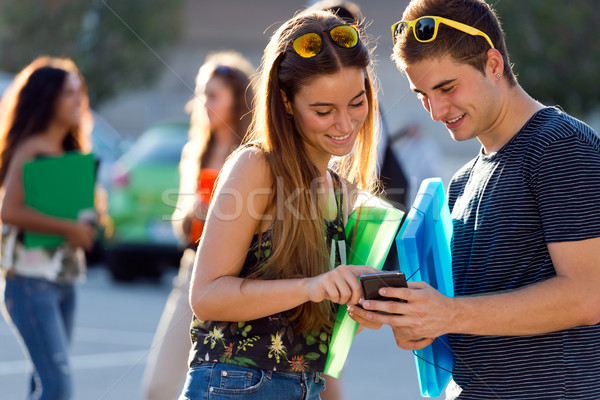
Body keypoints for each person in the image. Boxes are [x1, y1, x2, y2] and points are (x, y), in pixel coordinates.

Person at [348, 0, 600, 399]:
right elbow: (467, 316)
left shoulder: (560, 146)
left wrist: (448, 313)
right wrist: (413, 318)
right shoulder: (462, 182)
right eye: (422, 95)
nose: (436, 110)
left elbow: (589, 295)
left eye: (447, 88)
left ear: (494, 64)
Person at [180, 10, 382, 400]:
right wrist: (311, 287)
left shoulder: (342, 190)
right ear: (286, 102)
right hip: (235, 385)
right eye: (323, 111)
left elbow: (309, 323)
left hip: (306, 387)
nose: (345, 124)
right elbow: (205, 296)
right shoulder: (257, 167)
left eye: (357, 103)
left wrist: (360, 306)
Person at [142, 51, 255, 400]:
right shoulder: (198, 150)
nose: (203, 103)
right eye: (202, 93)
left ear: (238, 101)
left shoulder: (252, 154)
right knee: (157, 388)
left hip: (236, 280)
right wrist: (194, 213)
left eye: (214, 95)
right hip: (191, 274)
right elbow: (183, 228)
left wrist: (227, 212)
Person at [0, 57, 96, 400]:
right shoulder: (30, 147)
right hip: (29, 282)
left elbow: (73, 212)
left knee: (41, 384)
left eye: (79, 92)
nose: (78, 100)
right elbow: (8, 210)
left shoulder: (70, 149)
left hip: (64, 280)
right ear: (46, 99)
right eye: (68, 93)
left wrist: (89, 223)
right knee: (56, 386)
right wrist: (70, 228)